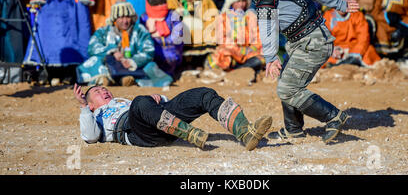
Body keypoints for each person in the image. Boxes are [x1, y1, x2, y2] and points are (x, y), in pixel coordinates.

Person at [231, 0, 360, 143]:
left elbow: (268, 27)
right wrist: (340, 3)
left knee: (287, 90)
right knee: (287, 80)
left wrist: (270, 57)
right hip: (310, 39)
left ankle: (333, 116)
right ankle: (294, 130)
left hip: (311, 43)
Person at [73, 83, 272, 150]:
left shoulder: (123, 101)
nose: (104, 91)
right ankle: (190, 133)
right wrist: (83, 107)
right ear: (91, 104)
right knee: (139, 102)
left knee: (202, 93)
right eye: (98, 92)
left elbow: (160, 106)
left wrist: (159, 98)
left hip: (161, 121)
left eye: (104, 88)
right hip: (138, 133)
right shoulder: (94, 115)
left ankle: (245, 132)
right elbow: (90, 136)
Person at [76, 0, 173, 87]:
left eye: (127, 17)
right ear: (114, 19)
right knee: (94, 60)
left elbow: (149, 51)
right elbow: (92, 47)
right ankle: (104, 79)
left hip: (132, 66)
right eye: (121, 17)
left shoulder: (140, 30)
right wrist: (112, 52)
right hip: (110, 65)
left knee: (150, 66)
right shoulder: (104, 31)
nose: (125, 21)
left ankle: (127, 79)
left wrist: (132, 61)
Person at [205, 0, 264, 72]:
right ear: (232, 3)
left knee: (262, 57)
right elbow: (222, 39)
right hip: (231, 51)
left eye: (243, 1)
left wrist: (250, 49)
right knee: (217, 58)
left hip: (248, 52)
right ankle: (240, 69)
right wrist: (238, 50)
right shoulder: (223, 17)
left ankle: (239, 70)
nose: (241, 4)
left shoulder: (250, 17)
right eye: (238, 1)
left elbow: (258, 38)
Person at [167, 0, 218, 67]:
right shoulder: (172, 2)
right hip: (182, 42)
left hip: (202, 42)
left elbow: (212, 21)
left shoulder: (205, 1)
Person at [323, 0, 381, 67]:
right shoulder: (328, 16)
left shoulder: (357, 15)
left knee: (369, 51)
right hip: (337, 50)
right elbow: (323, 38)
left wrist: (354, 54)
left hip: (354, 48)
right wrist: (331, 50)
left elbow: (363, 37)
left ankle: (352, 62)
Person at [141, 0, 184, 78]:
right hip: (152, 52)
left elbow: (178, 37)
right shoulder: (144, 18)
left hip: (172, 52)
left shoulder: (172, 15)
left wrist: (160, 39)